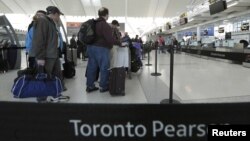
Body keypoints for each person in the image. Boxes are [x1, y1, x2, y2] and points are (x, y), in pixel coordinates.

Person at [30, 6, 69, 102]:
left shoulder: (51, 22)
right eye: (59, 15)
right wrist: (40, 57)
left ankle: (56, 94)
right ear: (55, 14)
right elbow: (39, 40)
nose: (59, 18)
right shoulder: (42, 21)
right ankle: (41, 98)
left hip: (53, 55)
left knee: (57, 76)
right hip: (46, 56)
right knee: (44, 77)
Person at [86, 7, 121, 93]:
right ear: (106, 15)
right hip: (101, 49)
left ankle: (90, 86)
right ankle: (103, 86)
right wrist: (119, 43)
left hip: (90, 48)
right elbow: (110, 39)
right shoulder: (105, 25)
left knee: (91, 67)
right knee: (104, 67)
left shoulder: (93, 23)